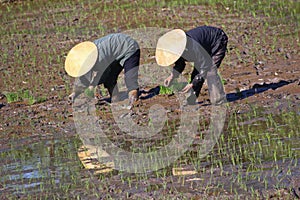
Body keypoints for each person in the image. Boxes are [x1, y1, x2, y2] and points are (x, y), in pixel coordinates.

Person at [155, 26, 228, 105]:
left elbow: (204, 66)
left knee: (210, 71)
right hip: (203, 47)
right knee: (196, 75)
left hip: (217, 40)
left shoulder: (193, 46)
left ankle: (219, 100)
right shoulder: (178, 48)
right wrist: (172, 76)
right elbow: (180, 64)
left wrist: (193, 83)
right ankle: (191, 100)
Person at [65, 33, 140, 107]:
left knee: (130, 77)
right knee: (111, 78)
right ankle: (115, 99)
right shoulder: (87, 59)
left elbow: (104, 73)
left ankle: (134, 99)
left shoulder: (98, 56)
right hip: (114, 53)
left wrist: (92, 85)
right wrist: (74, 93)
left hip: (129, 47)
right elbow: (83, 78)